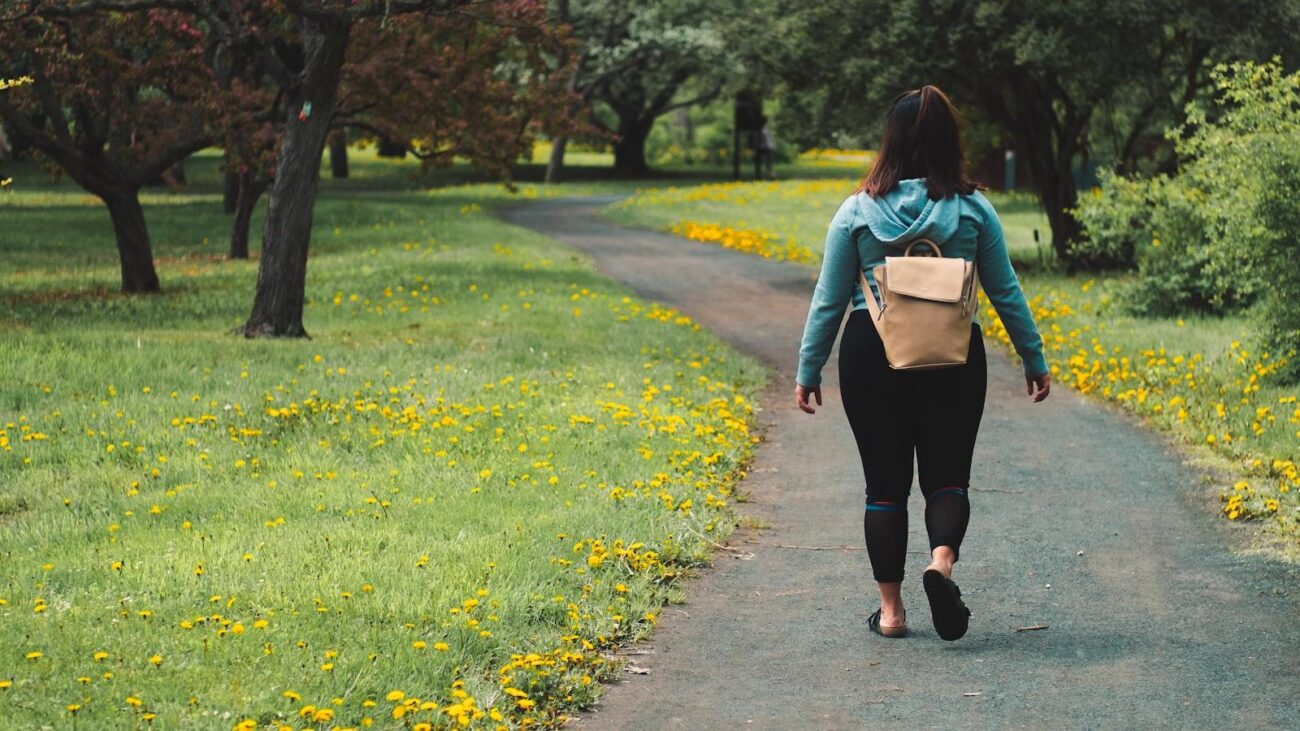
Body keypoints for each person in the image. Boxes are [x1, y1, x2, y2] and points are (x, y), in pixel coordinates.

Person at [793, 85, 1051, 642]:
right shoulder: (973, 209)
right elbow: (1006, 291)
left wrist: (808, 368)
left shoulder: (857, 210)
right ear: (947, 142)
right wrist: (1033, 358)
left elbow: (830, 298)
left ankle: (890, 613)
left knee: (884, 487)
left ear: (890, 142)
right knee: (947, 478)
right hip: (953, 354)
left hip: (871, 352)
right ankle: (940, 565)